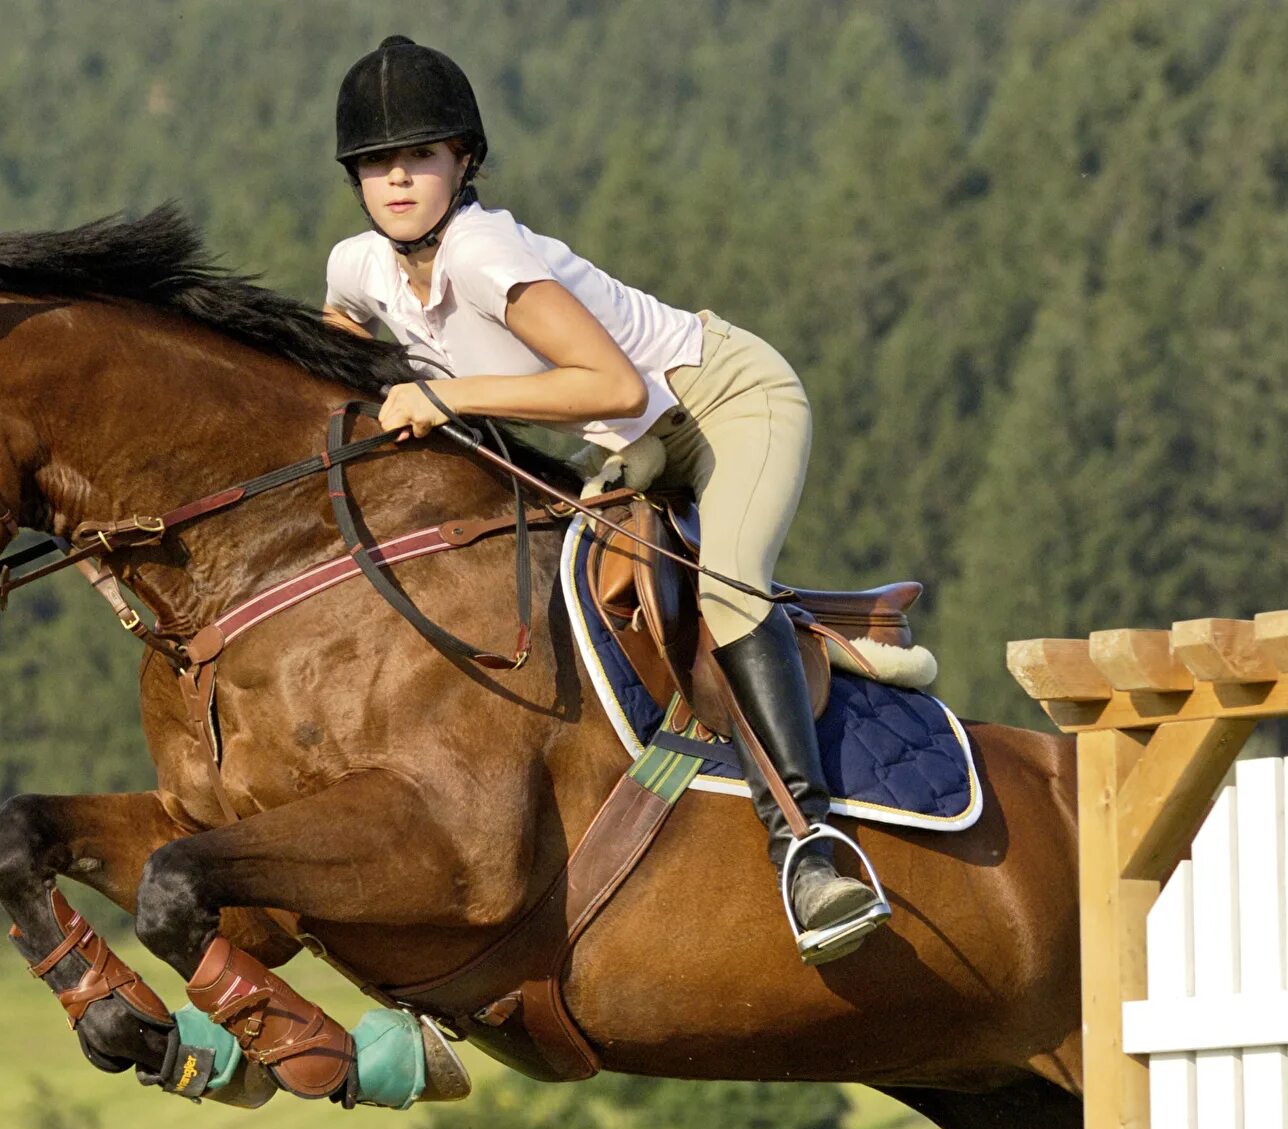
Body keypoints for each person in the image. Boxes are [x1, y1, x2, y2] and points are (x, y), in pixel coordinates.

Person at [321, 35, 885, 961]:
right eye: (377, 164)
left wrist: (447, 394)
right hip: (629, 452)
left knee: (729, 588)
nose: (397, 180)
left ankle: (808, 841)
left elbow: (615, 387)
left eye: (419, 157)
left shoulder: (484, 251)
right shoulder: (362, 267)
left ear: (463, 162)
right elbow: (340, 341)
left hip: (727, 402)